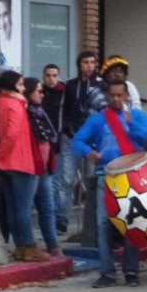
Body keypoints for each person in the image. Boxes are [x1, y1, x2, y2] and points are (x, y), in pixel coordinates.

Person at [73, 79, 147, 286]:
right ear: (107, 96)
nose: (116, 99)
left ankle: (131, 272)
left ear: (127, 96)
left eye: (120, 95)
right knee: (103, 225)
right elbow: (77, 140)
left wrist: (131, 124)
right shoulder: (97, 119)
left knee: (131, 223)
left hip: (132, 176)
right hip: (106, 176)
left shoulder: (137, 116)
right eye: (112, 95)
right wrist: (87, 151)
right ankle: (107, 272)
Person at [0, 71, 47, 262]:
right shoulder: (16, 104)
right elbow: (12, 133)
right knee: (23, 208)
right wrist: (0, 154)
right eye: (20, 85)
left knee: (12, 206)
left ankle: (19, 247)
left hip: (4, 165)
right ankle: (29, 246)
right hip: (19, 161)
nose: (24, 89)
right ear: (11, 86)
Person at [58, 51, 107, 235]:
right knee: (67, 180)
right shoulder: (70, 85)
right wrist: (62, 131)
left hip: (92, 143)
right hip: (71, 137)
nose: (89, 65)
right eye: (85, 62)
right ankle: (62, 219)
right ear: (79, 64)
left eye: (92, 62)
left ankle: (91, 220)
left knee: (91, 180)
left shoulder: (101, 85)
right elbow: (63, 109)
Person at [24, 77, 62, 258]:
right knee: (26, 208)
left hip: (44, 168)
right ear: (29, 92)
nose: (42, 95)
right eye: (38, 91)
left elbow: (51, 135)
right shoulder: (25, 112)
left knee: (48, 207)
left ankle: (53, 244)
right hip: (31, 167)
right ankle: (26, 245)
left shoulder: (40, 111)